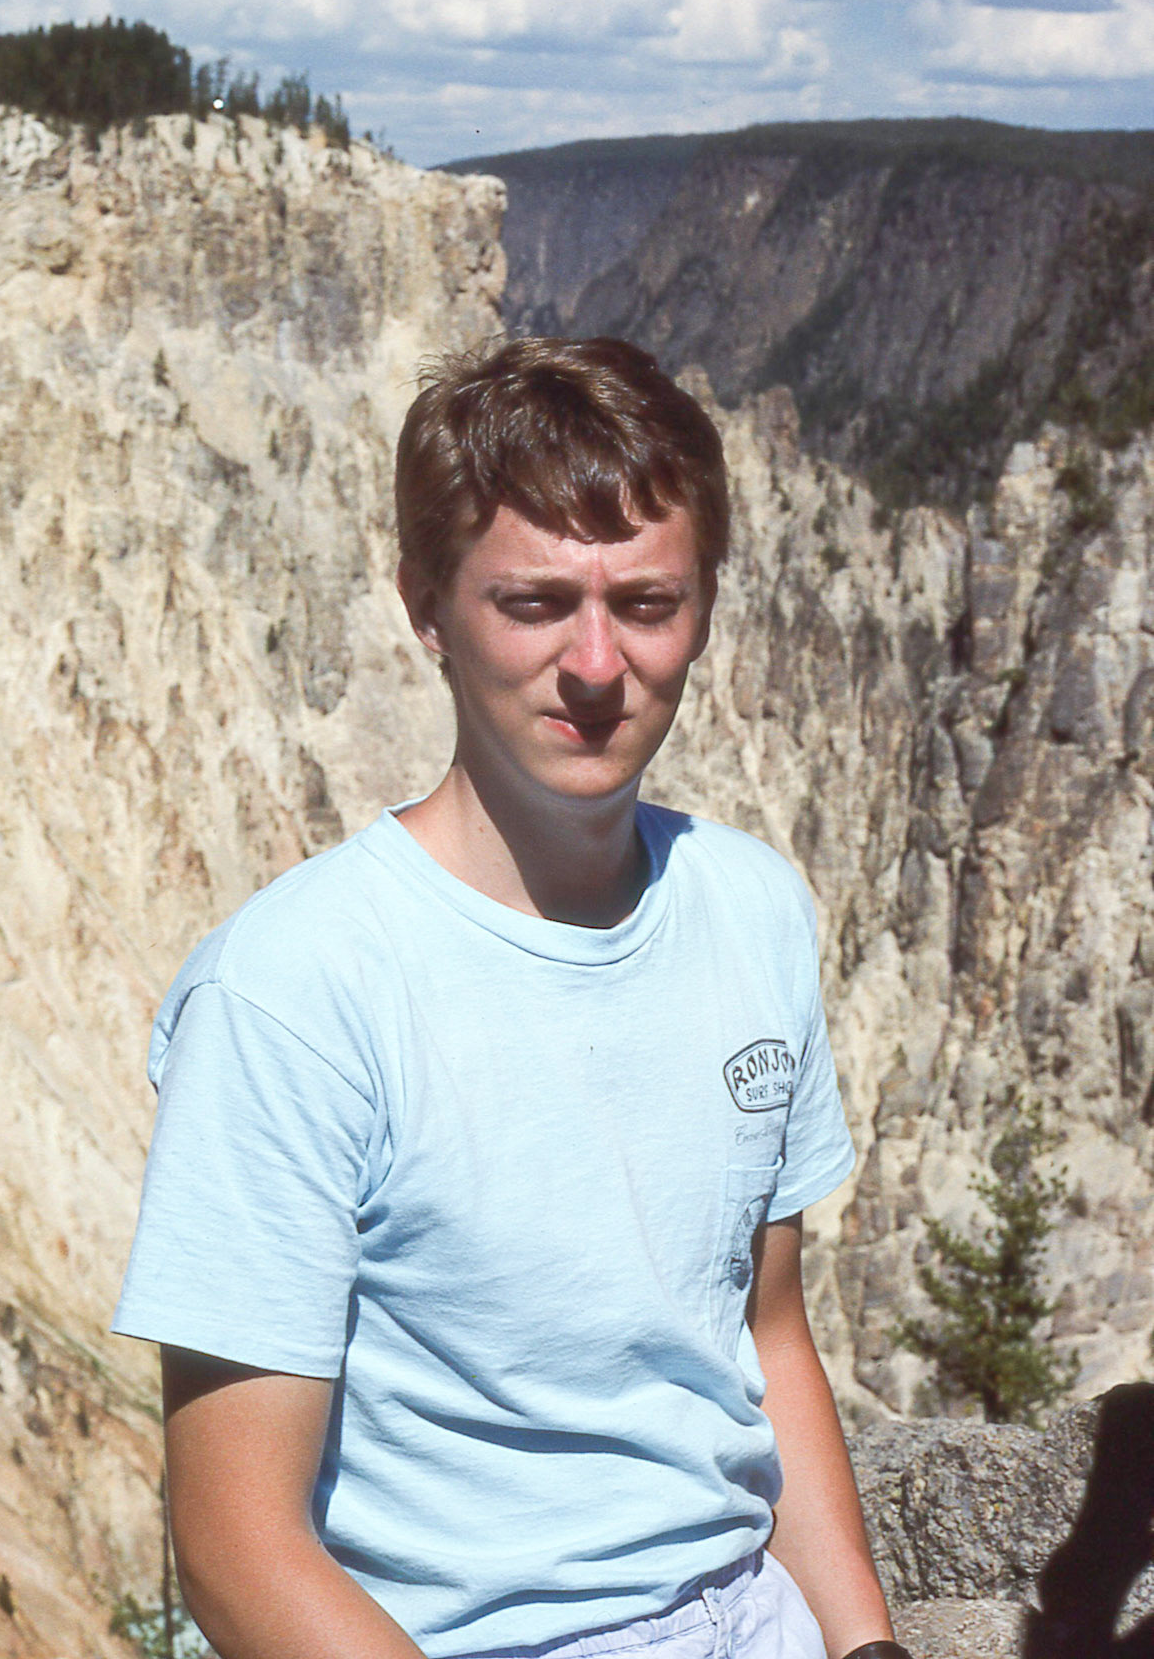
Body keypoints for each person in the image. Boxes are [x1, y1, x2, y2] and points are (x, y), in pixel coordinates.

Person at [113, 336, 908, 1659]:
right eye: (533, 604)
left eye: (646, 604)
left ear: (705, 605)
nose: (595, 665)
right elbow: (237, 1544)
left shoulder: (752, 912)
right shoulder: (293, 990)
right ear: (427, 607)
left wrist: (866, 1643)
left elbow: (767, 1333)